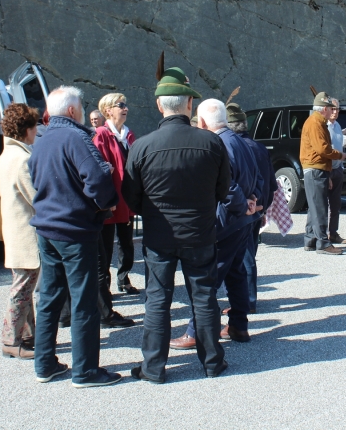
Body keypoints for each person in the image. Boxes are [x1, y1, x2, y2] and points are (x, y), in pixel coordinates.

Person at [122, 68, 229, 383]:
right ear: (189, 104)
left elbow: (131, 196)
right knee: (204, 297)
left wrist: (152, 214)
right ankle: (212, 362)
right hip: (199, 232)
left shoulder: (142, 146)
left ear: (159, 105)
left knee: (157, 299)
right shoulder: (212, 143)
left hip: (159, 235)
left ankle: (153, 367)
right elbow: (222, 190)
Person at [29, 86, 122, 388]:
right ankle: (85, 371)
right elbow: (98, 178)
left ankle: (45, 365)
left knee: (49, 298)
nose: (82, 110)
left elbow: (34, 176)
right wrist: (104, 204)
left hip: (47, 228)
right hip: (75, 229)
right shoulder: (77, 138)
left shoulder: (41, 140)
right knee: (83, 300)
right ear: (72, 110)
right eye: (80, 105)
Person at [170, 98, 263, 350]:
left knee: (208, 278)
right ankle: (238, 326)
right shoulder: (240, 141)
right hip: (241, 220)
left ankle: (196, 331)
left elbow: (227, 185)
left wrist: (244, 204)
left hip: (226, 221)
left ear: (201, 121)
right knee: (236, 274)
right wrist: (252, 200)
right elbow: (256, 176)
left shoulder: (218, 144)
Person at [0, 103, 40, 360]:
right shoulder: (22, 159)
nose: (37, 131)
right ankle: (10, 340)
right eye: (34, 127)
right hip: (25, 233)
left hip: (14, 231)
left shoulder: (6, 155)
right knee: (23, 288)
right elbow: (36, 198)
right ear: (26, 129)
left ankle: (27, 335)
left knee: (24, 285)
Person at [226, 102, 277, 315]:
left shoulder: (233, 147)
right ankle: (245, 299)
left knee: (244, 257)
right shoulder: (259, 147)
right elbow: (271, 184)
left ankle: (247, 300)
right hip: (256, 208)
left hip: (242, 209)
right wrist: (263, 209)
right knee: (248, 254)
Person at [93, 93, 139, 295]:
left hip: (127, 198)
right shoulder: (102, 134)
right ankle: (104, 286)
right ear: (108, 110)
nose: (125, 108)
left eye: (125, 105)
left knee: (127, 242)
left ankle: (124, 278)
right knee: (106, 246)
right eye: (120, 105)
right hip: (111, 199)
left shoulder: (129, 135)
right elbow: (99, 168)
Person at [299, 92, 344, 255]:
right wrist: (339, 155)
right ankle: (323, 244)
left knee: (314, 207)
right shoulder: (316, 122)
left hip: (316, 168)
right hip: (316, 169)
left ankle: (311, 240)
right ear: (324, 108)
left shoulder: (316, 121)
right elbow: (322, 148)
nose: (332, 111)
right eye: (330, 108)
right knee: (320, 207)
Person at [326, 98, 346, 245]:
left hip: (338, 169)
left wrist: (340, 167)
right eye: (333, 109)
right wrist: (327, 173)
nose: (335, 112)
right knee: (323, 205)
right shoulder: (324, 126)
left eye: (337, 109)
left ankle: (333, 233)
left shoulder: (338, 126)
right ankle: (322, 235)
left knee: (336, 204)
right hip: (327, 170)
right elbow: (325, 151)